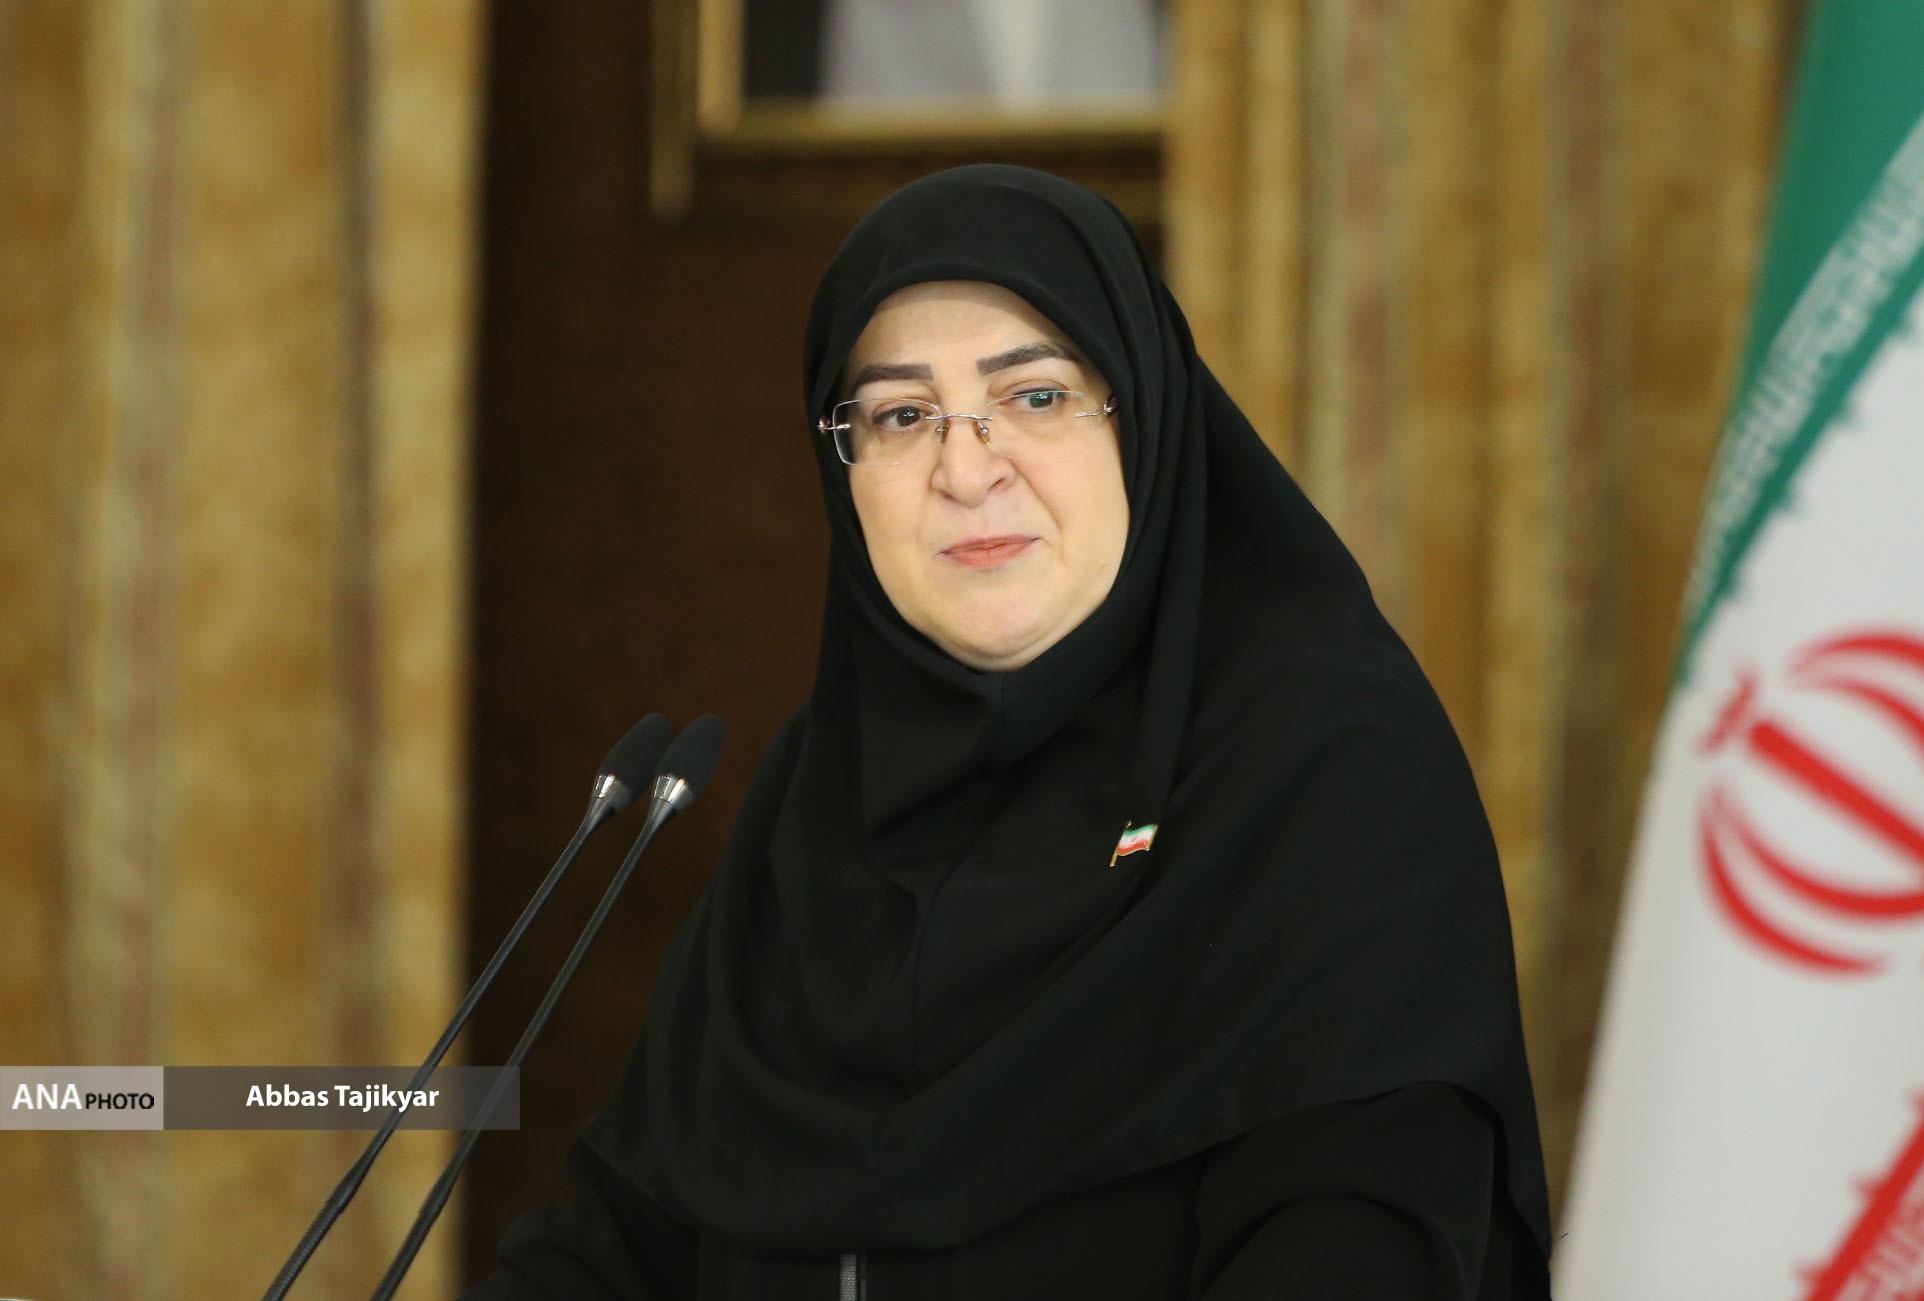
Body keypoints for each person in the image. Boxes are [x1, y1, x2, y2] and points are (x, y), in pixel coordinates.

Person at [467, 164, 1552, 1298]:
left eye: (1033, 396)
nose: (966, 468)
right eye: (900, 415)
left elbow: (1351, 1250)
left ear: (1141, 415)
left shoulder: (1330, 781)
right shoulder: (816, 800)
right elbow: (618, 1245)